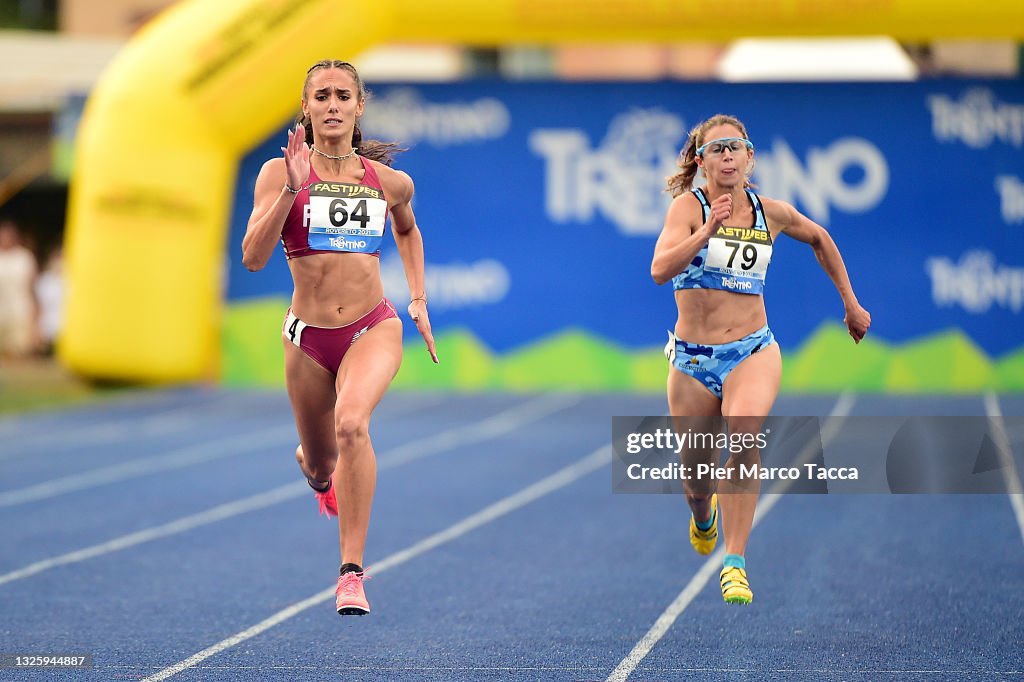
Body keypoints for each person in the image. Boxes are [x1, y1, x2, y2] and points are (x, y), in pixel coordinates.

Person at [242, 59, 438, 617]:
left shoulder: (388, 182)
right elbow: (253, 260)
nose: (332, 105)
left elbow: (407, 228)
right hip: (307, 340)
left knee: (353, 424)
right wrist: (291, 192)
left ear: (358, 107)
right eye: (321, 95)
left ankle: (351, 573)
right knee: (322, 463)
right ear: (305, 108)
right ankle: (316, 467)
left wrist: (418, 300)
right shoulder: (277, 174)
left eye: (342, 95)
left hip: (372, 326)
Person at [651, 114, 870, 605]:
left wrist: (850, 304)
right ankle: (703, 515)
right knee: (696, 480)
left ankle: (735, 563)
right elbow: (659, 270)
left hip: (753, 349)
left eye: (736, 146)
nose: (727, 155)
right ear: (700, 161)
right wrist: (704, 233)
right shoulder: (688, 209)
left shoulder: (771, 212)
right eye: (717, 148)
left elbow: (819, 239)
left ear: (750, 157)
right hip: (691, 361)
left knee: (745, 433)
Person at [0, 219, 38, 360]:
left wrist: (36, 316)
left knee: (19, 351)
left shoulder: (24, 257)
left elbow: (32, 288)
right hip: (2, 310)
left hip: (20, 309)